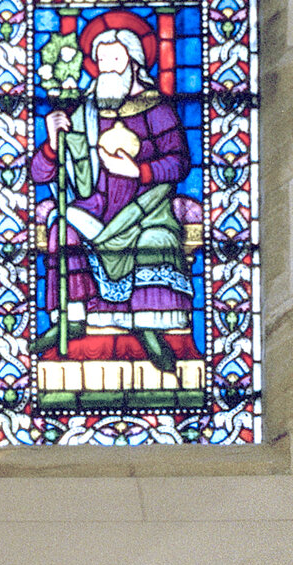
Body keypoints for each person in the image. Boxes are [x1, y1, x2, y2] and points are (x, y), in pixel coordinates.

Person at [31, 16, 196, 373]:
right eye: (100, 60)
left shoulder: (158, 109)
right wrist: (52, 140)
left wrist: (141, 171)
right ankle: (70, 320)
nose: (105, 68)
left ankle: (149, 326)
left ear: (134, 63)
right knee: (64, 226)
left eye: (114, 60)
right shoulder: (86, 113)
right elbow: (40, 174)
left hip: (144, 211)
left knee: (155, 240)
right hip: (97, 208)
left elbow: (180, 162)